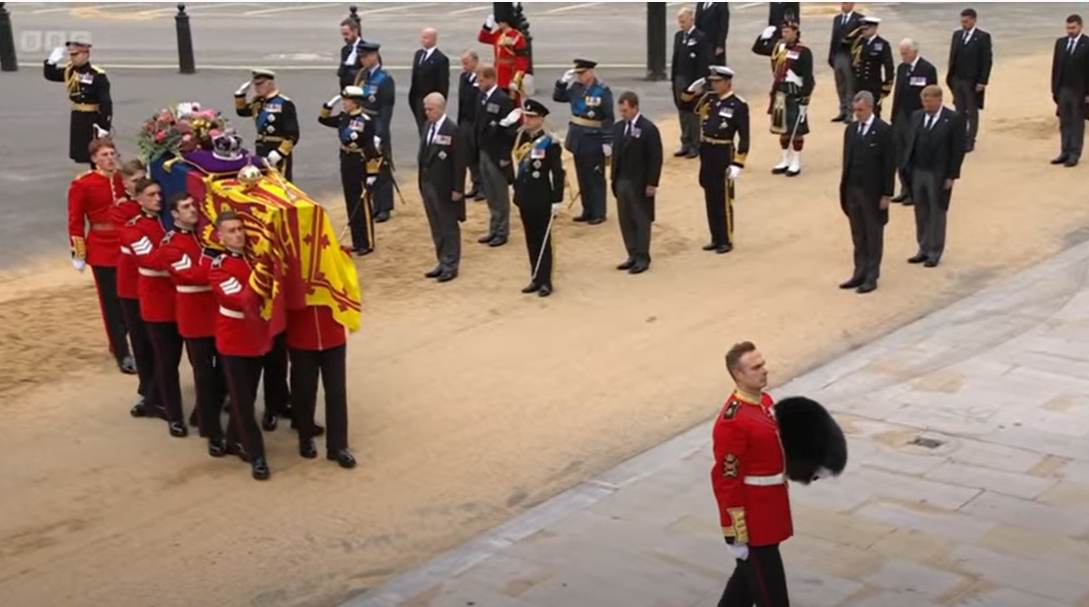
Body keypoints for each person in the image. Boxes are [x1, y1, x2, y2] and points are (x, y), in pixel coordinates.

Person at [712, 341, 794, 607]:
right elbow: (727, 480)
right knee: (772, 597)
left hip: (771, 509)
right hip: (755, 522)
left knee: (744, 587)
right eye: (756, 367)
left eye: (763, 364)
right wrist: (735, 533)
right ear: (739, 375)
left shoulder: (764, 402)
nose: (764, 370)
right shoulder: (732, 421)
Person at [160, 193, 229, 455]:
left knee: (223, 370)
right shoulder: (170, 244)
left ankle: (203, 412)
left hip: (216, 311)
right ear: (175, 214)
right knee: (203, 374)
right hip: (194, 315)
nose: (192, 210)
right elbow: (189, 275)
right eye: (185, 208)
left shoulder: (204, 236)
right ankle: (212, 432)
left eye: (193, 206)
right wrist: (215, 263)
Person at [209, 210, 272, 481]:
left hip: (255, 334)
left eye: (240, 229)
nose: (238, 234)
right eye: (231, 231)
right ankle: (255, 453)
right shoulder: (219, 267)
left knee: (248, 392)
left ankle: (235, 438)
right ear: (219, 236)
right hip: (233, 337)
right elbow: (239, 299)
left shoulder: (253, 259)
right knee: (243, 400)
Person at [123, 179, 187, 437]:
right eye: (151, 195)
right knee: (167, 361)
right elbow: (149, 260)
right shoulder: (133, 229)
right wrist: (174, 251)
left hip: (179, 299)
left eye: (160, 194)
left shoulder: (168, 224)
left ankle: (150, 399)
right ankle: (173, 414)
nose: (157, 199)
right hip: (157, 302)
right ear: (138, 198)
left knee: (173, 359)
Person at [68, 138, 134, 375]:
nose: (109, 158)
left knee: (130, 299)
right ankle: (121, 352)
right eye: (104, 155)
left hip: (126, 245)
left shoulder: (122, 178)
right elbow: (75, 220)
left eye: (112, 154)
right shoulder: (83, 184)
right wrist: (79, 252)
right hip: (101, 248)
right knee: (111, 304)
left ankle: (120, 338)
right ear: (94, 159)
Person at [680, 66, 750, 255]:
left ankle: (726, 238)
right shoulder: (709, 99)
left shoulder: (738, 105)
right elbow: (685, 106)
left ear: (728, 82)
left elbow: (744, 136)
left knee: (722, 196)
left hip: (723, 150)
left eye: (718, 81)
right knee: (709, 193)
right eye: (713, 81)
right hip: (707, 150)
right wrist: (690, 91)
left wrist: (738, 162)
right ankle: (715, 237)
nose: (714, 84)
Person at [112, 159, 158, 418]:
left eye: (142, 177)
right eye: (133, 181)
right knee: (140, 342)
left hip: (153, 286)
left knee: (157, 342)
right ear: (127, 186)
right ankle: (147, 391)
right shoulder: (122, 211)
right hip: (131, 285)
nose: (138, 182)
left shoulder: (153, 205)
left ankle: (155, 390)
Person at [903, 85, 967, 269]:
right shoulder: (916, 117)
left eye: (929, 101)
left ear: (939, 100)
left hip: (938, 174)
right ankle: (923, 248)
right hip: (918, 171)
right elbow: (910, 142)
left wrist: (952, 175)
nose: (926, 105)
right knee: (921, 210)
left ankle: (935, 251)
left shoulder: (952, 119)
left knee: (937, 212)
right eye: (924, 101)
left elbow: (957, 149)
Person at [287, 301, 356, 469]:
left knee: (336, 392)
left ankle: (338, 445)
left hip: (332, 332)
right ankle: (305, 437)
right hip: (301, 333)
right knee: (304, 390)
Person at [839, 91, 895, 294]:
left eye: (861, 110)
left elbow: (889, 165)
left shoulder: (883, 131)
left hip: (873, 193)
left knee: (873, 235)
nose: (857, 114)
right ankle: (859, 272)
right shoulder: (851, 131)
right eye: (855, 111)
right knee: (858, 234)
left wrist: (887, 194)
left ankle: (872, 275)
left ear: (870, 108)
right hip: (853, 190)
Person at [512, 99, 565, 297]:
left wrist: (557, 199)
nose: (528, 120)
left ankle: (545, 280)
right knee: (530, 239)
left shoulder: (550, 143)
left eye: (533, 117)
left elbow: (558, 173)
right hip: (525, 196)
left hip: (542, 197)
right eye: (527, 116)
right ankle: (535, 276)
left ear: (541, 119)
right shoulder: (521, 138)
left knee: (543, 239)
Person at [319, 86, 379, 256]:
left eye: (346, 101)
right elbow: (322, 119)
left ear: (355, 102)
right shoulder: (343, 118)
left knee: (362, 203)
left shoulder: (366, 121)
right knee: (351, 201)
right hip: (346, 160)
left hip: (360, 162)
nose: (343, 104)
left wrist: (372, 172)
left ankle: (367, 242)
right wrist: (329, 104)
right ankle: (357, 241)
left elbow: (370, 148)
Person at [553, 59, 614, 225]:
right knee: (582, 175)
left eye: (582, 73)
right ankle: (587, 210)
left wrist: (607, 140)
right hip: (578, 137)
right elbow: (558, 97)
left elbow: (608, 117)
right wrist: (562, 82)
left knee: (595, 176)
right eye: (577, 73)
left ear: (591, 72)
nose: (579, 76)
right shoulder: (576, 88)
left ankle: (599, 212)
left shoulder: (602, 91)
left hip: (594, 137)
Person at [753, 20, 815, 177]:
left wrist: (805, 99)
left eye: (788, 31)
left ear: (795, 32)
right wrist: (763, 37)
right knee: (782, 129)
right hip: (780, 94)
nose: (784, 33)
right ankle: (785, 159)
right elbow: (758, 49)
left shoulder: (804, 51)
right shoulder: (779, 47)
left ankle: (796, 161)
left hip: (795, 93)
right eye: (783, 31)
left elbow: (808, 78)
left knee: (796, 130)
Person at [611, 92, 663, 275]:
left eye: (625, 110)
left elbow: (656, 158)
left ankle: (642, 256)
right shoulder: (618, 128)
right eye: (621, 111)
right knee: (625, 220)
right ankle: (632, 254)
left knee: (641, 220)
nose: (622, 114)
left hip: (640, 183)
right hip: (622, 180)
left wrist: (652, 183)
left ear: (634, 107)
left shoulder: (648, 129)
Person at [418, 92, 468, 283]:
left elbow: (459, 162)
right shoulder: (428, 126)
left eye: (430, 109)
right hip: (428, 183)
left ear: (441, 108)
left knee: (448, 226)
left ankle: (451, 264)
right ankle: (441, 260)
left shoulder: (452, 130)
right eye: (426, 109)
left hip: (445, 186)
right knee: (436, 225)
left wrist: (458, 188)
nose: (427, 112)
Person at [43, 40, 111, 167]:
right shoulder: (70, 71)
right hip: (78, 116)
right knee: (82, 151)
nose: (72, 58)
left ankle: (98, 175)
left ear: (86, 54)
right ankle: (92, 176)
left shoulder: (96, 75)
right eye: (71, 55)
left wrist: (104, 126)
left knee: (96, 150)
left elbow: (106, 102)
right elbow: (50, 75)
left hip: (92, 117)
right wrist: (50, 63)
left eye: (76, 55)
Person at [475, 64, 519, 247]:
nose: (478, 83)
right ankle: (494, 228)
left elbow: (511, 131)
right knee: (490, 193)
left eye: (481, 80)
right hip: (485, 151)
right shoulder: (482, 97)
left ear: (491, 79)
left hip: (498, 154)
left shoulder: (502, 99)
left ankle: (502, 231)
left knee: (500, 195)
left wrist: (504, 156)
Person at [890, 39, 938, 203]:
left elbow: (932, 96)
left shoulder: (927, 69)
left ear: (915, 52)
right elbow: (897, 93)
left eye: (906, 53)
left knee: (913, 156)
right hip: (901, 118)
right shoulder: (902, 68)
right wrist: (894, 116)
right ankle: (904, 188)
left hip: (917, 118)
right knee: (900, 155)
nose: (903, 56)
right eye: (902, 53)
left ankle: (914, 192)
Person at [354, 41, 397, 223]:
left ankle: (384, 206)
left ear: (374, 56)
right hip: (363, 126)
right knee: (367, 168)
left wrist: (379, 134)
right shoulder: (362, 75)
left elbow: (385, 111)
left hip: (377, 126)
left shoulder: (384, 79)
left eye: (365, 56)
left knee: (381, 168)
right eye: (361, 57)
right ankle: (374, 204)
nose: (363, 60)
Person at [234, 69, 300, 181]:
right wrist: (240, 95)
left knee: (280, 182)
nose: (256, 88)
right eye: (255, 85)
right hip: (261, 148)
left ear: (269, 83)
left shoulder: (284, 103)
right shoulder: (258, 102)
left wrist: (279, 153)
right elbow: (242, 111)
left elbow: (293, 134)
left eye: (260, 84)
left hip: (277, 149)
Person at [946, 8, 993, 152]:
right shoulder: (957, 35)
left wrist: (982, 81)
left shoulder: (983, 37)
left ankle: (970, 139)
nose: (963, 24)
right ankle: (960, 137)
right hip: (957, 79)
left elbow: (987, 60)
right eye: (962, 21)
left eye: (966, 21)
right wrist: (951, 77)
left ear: (973, 20)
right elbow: (952, 56)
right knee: (959, 110)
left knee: (972, 111)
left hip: (972, 81)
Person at [672, 7, 713, 159]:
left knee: (693, 113)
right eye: (679, 21)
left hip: (693, 81)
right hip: (679, 79)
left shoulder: (701, 37)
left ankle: (695, 145)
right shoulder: (678, 37)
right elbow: (676, 60)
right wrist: (674, 80)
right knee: (682, 111)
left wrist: (701, 84)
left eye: (683, 21)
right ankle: (685, 142)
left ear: (691, 19)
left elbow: (704, 63)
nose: (681, 24)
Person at [1051, 14, 1089, 168]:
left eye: (1073, 28)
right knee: (1064, 122)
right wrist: (1054, 89)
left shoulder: (1087, 44)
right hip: (1063, 89)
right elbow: (1056, 67)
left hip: (1080, 91)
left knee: (1077, 123)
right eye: (1068, 28)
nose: (1070, 31)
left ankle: (1074, 153)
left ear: (1080, 26)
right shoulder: (1060, 43)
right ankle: (1064, 151)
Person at [478, 6, 529, 105]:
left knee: (511, 104)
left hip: (509, 75)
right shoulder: (499, 34)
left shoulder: (517, 37)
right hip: (498, 74)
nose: (499, 23)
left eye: (501, 21)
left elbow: (521, 60)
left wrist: (516, 80)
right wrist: (487, 27)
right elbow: (483, 38)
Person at [409, 28, 451, 135]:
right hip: (418, 99)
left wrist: (440, 103)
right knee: (421, 129)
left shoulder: (440, 59)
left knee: (429, 130)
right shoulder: (418, 54)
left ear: (433, 39)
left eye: (426, 38)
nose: (423, 40)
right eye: (422, 37)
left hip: (431, 101)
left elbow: (443, 83)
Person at [851, 17, 894, 119]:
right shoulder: (860, 42)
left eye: (867, 29)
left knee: (874, 111)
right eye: (863, 29)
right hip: (860, 84)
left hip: (873, 85)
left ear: (874, 28)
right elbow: (845, 42)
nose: (864, 32)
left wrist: (886, 87)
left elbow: (889, 67)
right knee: (860, 110)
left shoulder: (882, 44)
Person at [829, 3, 866, 123]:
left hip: (850, 56)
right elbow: (833, 38)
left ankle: (850, 112)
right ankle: (843, 110)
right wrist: (831, 56)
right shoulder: (837, 19)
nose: (843, 5)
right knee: (840, 84)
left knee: (850, 84)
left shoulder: (859, 19)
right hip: (838, 55)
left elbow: (860, 39)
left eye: (846, 3)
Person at [458, 50, 486, 200]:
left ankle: (483, 186)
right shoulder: (464, 77)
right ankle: (475, 184)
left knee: (479, 155)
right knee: (468, 155)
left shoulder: (481, 78)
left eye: (466, 63)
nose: (464, 66)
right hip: (465, 122)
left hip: (477, 122)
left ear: (475, 61)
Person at [695, 2, 730, 66]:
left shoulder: (721, 4)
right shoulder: (700, 3)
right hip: (702, 41)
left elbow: (724, 25)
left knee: (715, 67)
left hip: (714, 42)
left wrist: (720, 45)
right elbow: (697, 22)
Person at [338, 18, 364, 89]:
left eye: (347, 34)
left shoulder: (366, 48)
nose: (345, 37)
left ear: (355, 31)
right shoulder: (344, 50)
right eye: (343, 34)